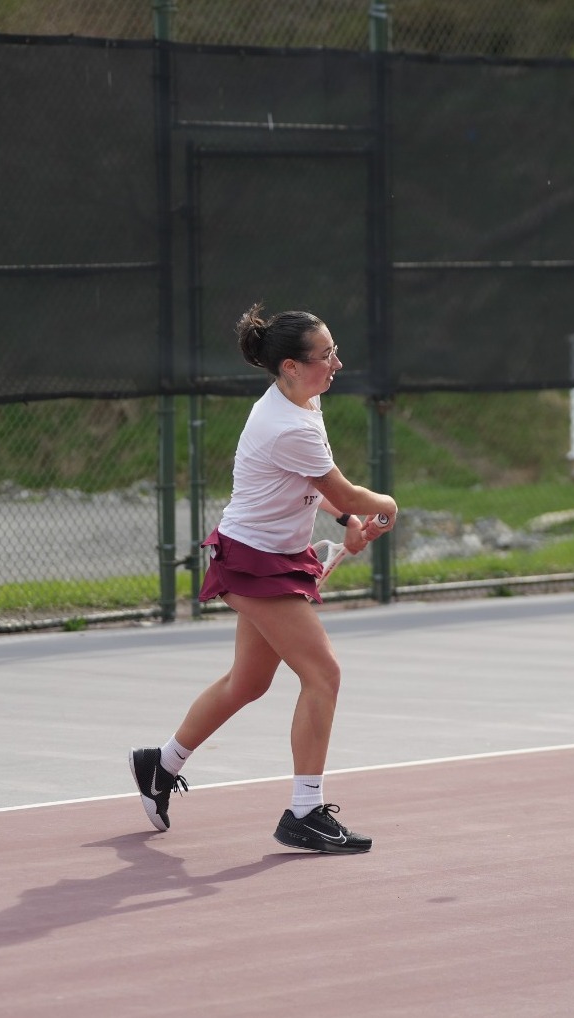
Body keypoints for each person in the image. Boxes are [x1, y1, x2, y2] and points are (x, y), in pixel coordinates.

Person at [129, 303, 397, 854]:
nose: (336, 364)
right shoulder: (287, 423)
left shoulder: (303, 401)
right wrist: (381, 505)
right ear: (291, 367)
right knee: (323, 674)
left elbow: (319, 492)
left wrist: (348, 523)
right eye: (325, 356)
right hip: (253, 561)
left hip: (274, 552)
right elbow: (347, 491)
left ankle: (161, 764)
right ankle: (304, 811)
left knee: (248, 683)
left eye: (334, 352)